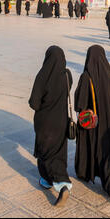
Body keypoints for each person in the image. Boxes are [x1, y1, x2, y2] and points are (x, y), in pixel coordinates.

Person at [74, 45, 110, 198]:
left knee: (94, 148)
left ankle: (85, 172)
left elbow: (79, 104)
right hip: (109, 124)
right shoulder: (109, 73)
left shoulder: (87, 77)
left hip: (94, 125)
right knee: (108, 152)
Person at [29, 46, 73, 207]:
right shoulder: (67, 75)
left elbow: (33, 103)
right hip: (61, 122)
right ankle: (48, 180)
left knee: (45, 152)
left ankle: (62, 184)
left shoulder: (42, 76)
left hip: (44, 123)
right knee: (58, 152)